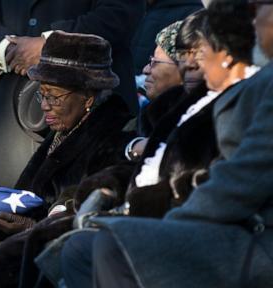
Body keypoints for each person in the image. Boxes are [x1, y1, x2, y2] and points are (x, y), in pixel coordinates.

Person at [84, 1, 273, 287]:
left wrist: (173, 219)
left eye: (197, 53)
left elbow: (243, 175)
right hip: (222, 221)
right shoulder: (183, 103)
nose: (190, 63)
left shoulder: (258, 86)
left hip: (254, 236)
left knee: (110, 245)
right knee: (66, 250)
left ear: (225, 54)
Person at [0, 31, 135, 288]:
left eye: (53, 96)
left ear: (88, 97)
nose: (44, 105)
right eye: (41, 94)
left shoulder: (115, 136)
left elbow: (84, 210)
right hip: (38, 230)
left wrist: (32, 227)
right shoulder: (64, 128)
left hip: (62, 244)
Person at [0, 0, 144, 187]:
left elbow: (120, 12)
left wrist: (51, 47)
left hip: (94, 117)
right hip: (10, 120)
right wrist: (8, 50)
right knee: (7, 209)